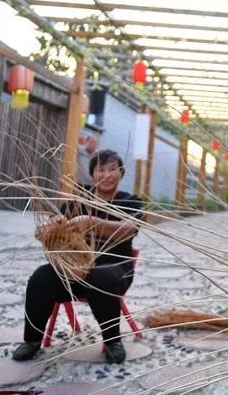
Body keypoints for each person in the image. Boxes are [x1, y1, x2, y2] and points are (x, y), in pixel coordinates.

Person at [13, 150, 143, 364]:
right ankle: (31, 340)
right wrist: (48, 229)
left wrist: (91, 222)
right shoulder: (78, 200)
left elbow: (129, 229)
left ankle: (112, 342)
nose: (107, 174)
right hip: (73, 271)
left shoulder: (130, 202)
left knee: (101, 276)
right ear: (93, 174)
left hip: (115, 271)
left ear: (121, 173)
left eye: (113, 169)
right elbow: (55, 223)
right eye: (101, 169)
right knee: (41, 276)